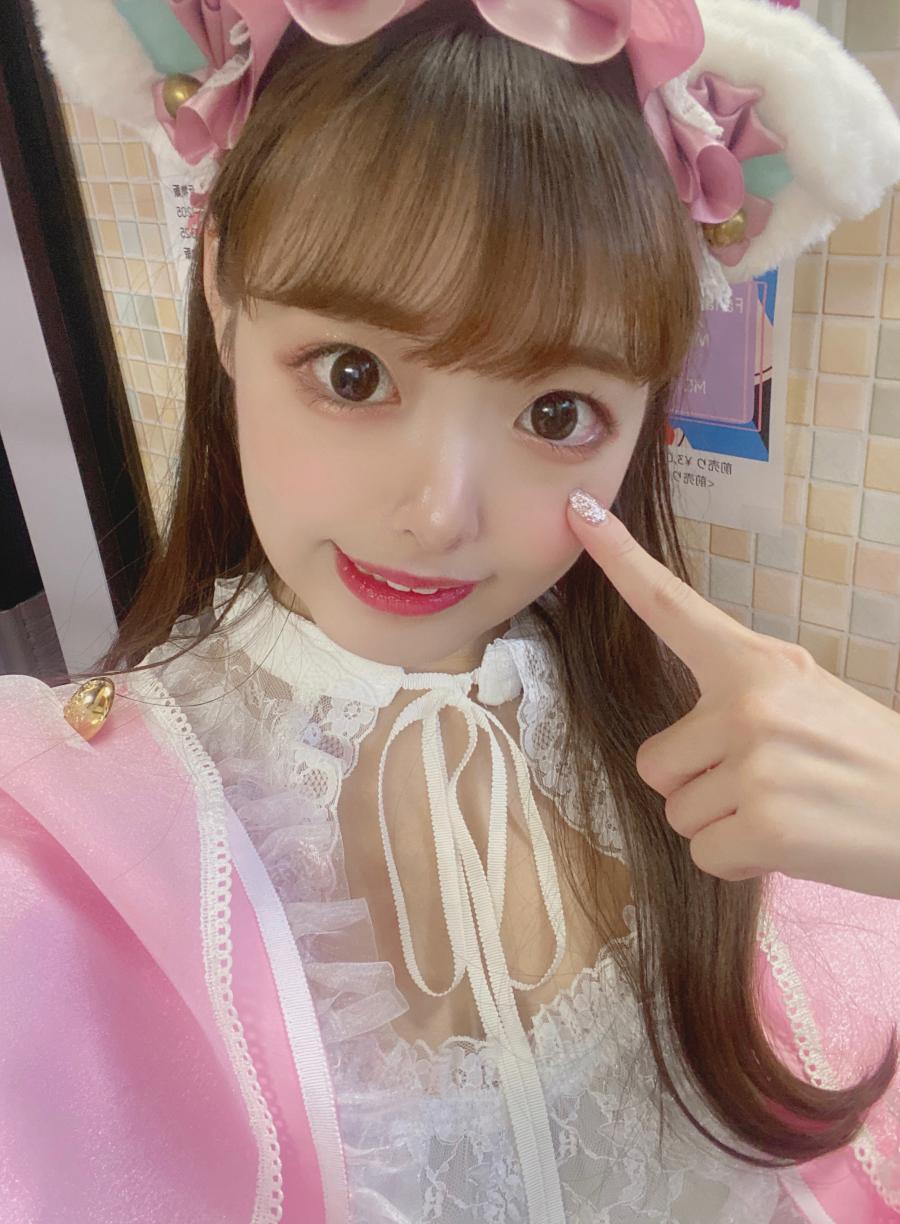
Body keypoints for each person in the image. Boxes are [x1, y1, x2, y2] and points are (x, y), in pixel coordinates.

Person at [2, 0, 900, 1221]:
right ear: (221, 290)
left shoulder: (712, 766)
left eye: (555, 413)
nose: (438, 515)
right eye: (354, 373)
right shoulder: (62, 846)